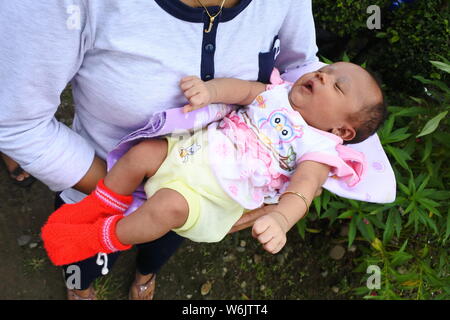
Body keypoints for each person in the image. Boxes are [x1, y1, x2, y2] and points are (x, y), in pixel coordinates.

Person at [0, 0, 325, 299]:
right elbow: (17, 123)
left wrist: (290, 200)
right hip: (101, 178)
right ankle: (81, 287)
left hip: (203, 192)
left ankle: (144, 275)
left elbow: (305, 67)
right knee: (84, 257)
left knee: (164, 241)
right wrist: (131, 190)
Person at [41, 61, 386, 266]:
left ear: (342, 129)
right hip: (188, 153)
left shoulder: (318, 149)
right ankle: (99, 205)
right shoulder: (275, 93)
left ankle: (103, 237)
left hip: (209, 197)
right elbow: (240, 90)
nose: (322, 76)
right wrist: (210, 91)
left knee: (166, 208)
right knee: (143, 152)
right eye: (325, 71)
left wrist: (280, 219)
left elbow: (303, 191)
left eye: (337, 86)